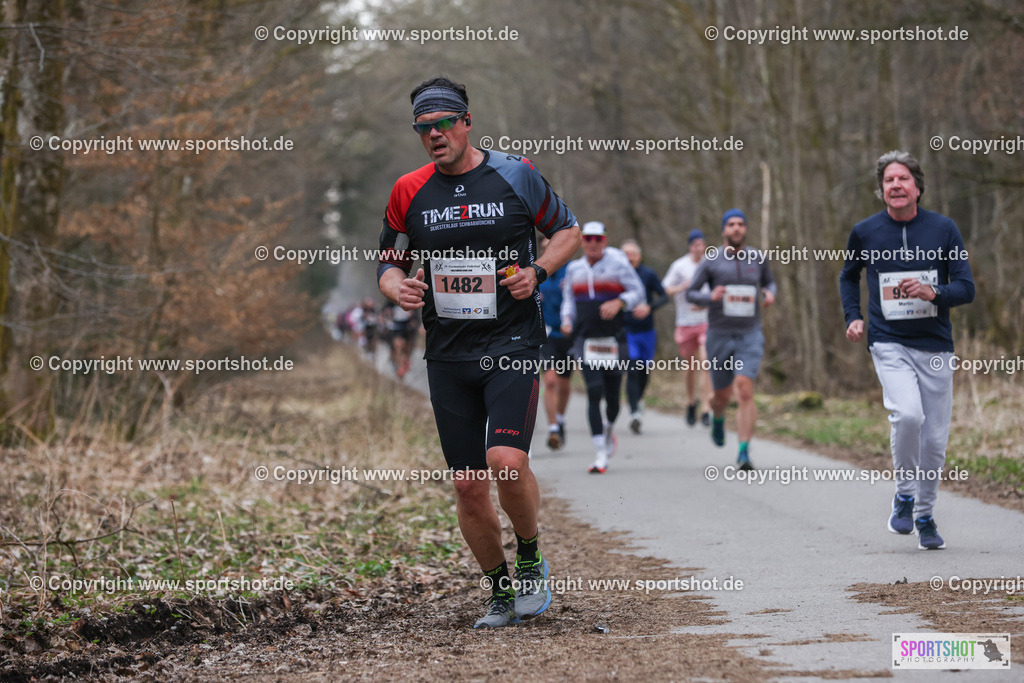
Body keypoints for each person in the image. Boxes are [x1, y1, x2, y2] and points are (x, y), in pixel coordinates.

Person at [377, 76, 581, 627]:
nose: (435, 135)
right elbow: (388, 262)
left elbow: (568, 232)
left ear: (467, 123)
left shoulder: (517, 174)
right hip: (448, 351)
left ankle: (531, 556)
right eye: (424, 128)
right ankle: (498, 591)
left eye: (444, 123)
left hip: (512, 339)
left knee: (506, 461)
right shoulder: (407, 190)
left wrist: (538, 272)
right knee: (468, 485)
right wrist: (397, 287)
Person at [840, 150, 974, 550]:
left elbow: (966, 288)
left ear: (917, 186)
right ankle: (904, 493)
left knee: (934, 439)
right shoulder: (864, 231)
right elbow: (848, 275)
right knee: (908, 415)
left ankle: (925, 514)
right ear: (882, 191)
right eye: (888, 181)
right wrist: (853, 316)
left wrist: (935, 292)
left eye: (903, 179)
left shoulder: (943, 229)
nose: (895, 186)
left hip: (935, 344)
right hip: (888, 340)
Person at [686, 209, 776, 471]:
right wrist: (710, 296)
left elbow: (770, 283)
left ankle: (744, 451)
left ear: (745, 229)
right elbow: (692, 293)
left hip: (750, 334)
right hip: (719, 336)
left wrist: (770, 294)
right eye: (731, 225)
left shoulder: (758, 258)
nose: (736, 228)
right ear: (724, 230)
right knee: (721, 396)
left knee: (745, 388)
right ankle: (717, 415)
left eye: (740, 224)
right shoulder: (711, 260)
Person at [560, 221, 645, 474]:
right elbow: (568, 301)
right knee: (593, 390)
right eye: (588, 239)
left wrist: (620, 302)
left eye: (598, 239)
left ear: (605, 241)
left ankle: (609, 430)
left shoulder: (619, 265)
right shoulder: (574, 268)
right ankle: (599, 453)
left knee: (612, 397)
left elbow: (638, 292)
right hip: (586, 341)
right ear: (582, 241)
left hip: (613, 340)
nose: (593, 243)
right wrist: (566, 319)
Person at [663, 230, 712, 427]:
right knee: (690, 367)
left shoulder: (711, 263)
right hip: (685, 322)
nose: (699, 248)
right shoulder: (679, 266)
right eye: (695, 245)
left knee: (706, 363)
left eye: (702, 244)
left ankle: (707, 408)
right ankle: (692, 402)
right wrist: (682, 287)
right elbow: (665, 288)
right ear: (690, 246)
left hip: (707, 321)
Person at [620, 240, 669, 434]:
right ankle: (634, 413)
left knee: (643, 371)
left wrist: (650, 307)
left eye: (633, 254)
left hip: (647, 331)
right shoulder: (617, 275)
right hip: (626, 330)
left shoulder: (648, 274)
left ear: (639, 256)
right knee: (632, 369)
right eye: (626, 254)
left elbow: (664, 296)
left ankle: (638, 400)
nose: (630, 258)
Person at [537, 237, 573, 450]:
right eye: (544, 248)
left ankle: (560, 419)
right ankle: (552, 429)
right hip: (546, 335)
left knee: (565, 384)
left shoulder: (572, 270)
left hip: (568, 335)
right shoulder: (536, 271)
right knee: (550, 380)